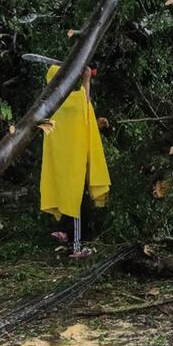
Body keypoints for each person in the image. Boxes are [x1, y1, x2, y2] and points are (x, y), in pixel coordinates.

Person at [40, 65, 111, 258]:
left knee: (66, 195)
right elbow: (84, 105)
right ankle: (77, 247)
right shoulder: (70, 102)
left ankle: (64, 232)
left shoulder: (50, 104)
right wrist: (86, 79)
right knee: (75, 201)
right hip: (74, 161)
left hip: (61, 162)